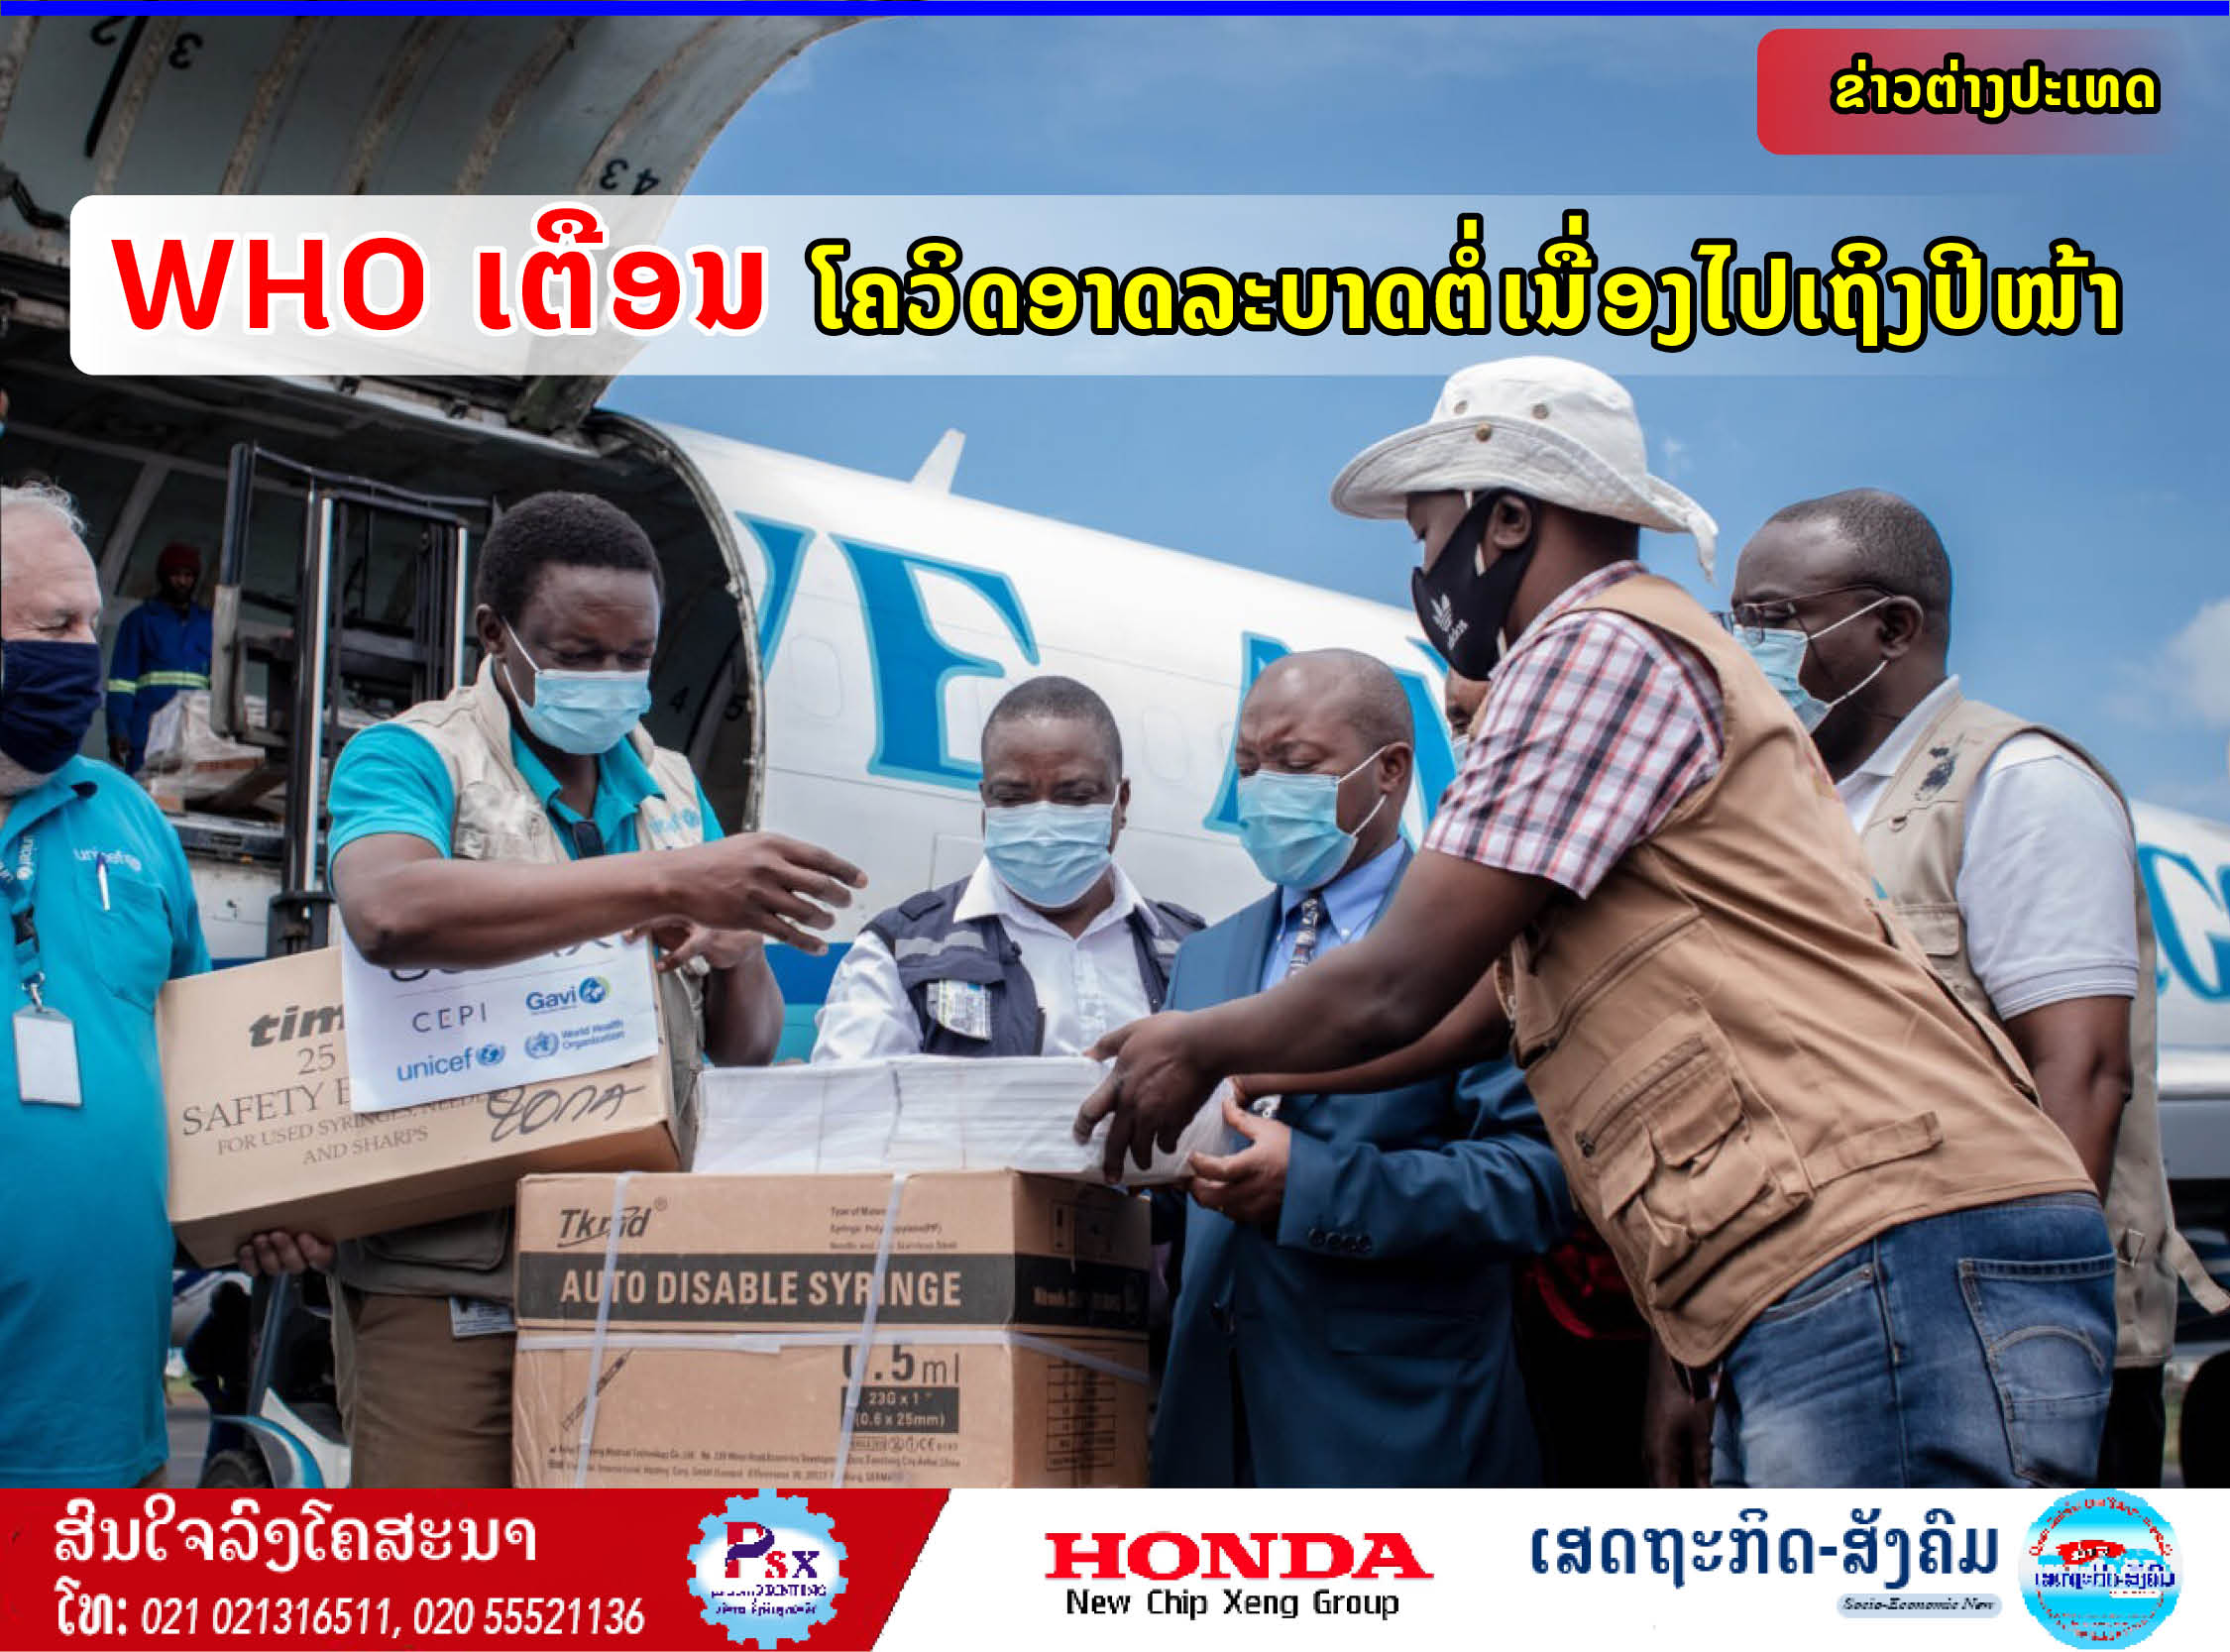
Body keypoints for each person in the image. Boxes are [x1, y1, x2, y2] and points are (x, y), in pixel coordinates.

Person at [1080, 356, 2119, 1489]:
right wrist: (1246, 1079)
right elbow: (1467, 1017)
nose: (1421, 573)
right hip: (1843, 1252)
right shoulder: (1628, 656)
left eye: (1428, 535)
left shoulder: (1593, 647)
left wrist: (1198, 1043)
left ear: (1507, 520)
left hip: (1882, 1242)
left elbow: (1400, 980)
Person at [245, 491, 865, 1487]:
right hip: (451, 1272)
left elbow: (742, 1047)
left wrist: (737, 951)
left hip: (637, 1260)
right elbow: (389, 907)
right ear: (494, 632)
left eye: (636, 657)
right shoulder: (413, 755)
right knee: (447, 1559)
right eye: (580, 653)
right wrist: (667, 881)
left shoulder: (671, 788)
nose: (612, 680)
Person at [1721, 488, 2228, 1487]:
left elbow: (2082, 1076)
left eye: (1774, 618)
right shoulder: (1787, 810)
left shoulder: (2018, 786)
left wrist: (2014, 1331)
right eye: (1736, 619)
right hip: (1818, 1330)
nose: (1746, 648)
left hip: (1983, 1352)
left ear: (1894, 628)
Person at [1150, 649, 1568, 1487]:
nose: (1263, 790)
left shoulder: (1484, 952)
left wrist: (1313, 1184)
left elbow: (1537, 1183)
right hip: (1212, 1438)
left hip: (1396, 1435)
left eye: (1295, 764)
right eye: (1248, 766)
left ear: (1390, 771)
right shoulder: (1205, 957)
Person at [0, 484, 212, 1486]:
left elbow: (204, 1064)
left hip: (97, 1426)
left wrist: (268, 1203)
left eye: (91, 624)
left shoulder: (130, 818)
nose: (84, 653)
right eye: (55, 626)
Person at [812, 674, 1201, 1061]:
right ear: (985, 800)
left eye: (1077, 796)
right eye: (1013, 798)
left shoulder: (1194, 951)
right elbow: (849, 1097)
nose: (1043, 824)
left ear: (1122, 800)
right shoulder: (899, 951)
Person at [106, 542, 213, 774]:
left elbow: (219, 682)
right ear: (163, 576)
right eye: (176, 574)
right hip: (148, 732)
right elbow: (121, 683)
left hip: (195, 735)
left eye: (189, 575)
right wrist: (118, 728)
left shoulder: (208, 623)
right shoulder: (139, 620)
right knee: (142, 791)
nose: (182, 581)